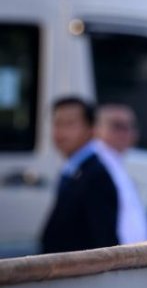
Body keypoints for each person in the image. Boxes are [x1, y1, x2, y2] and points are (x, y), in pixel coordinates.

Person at [40, 97, 119, 254]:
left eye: (69, 124)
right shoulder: (74, 169)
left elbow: (103, 243)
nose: (60, 132)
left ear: (91, 128)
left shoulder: (95, 175)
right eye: (57, 123)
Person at [94, 103, 147, 245]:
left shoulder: (115, 162)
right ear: (97, 129)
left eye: (130, 126)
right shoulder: (95, 167)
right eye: (117, 126)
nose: (125, 132)